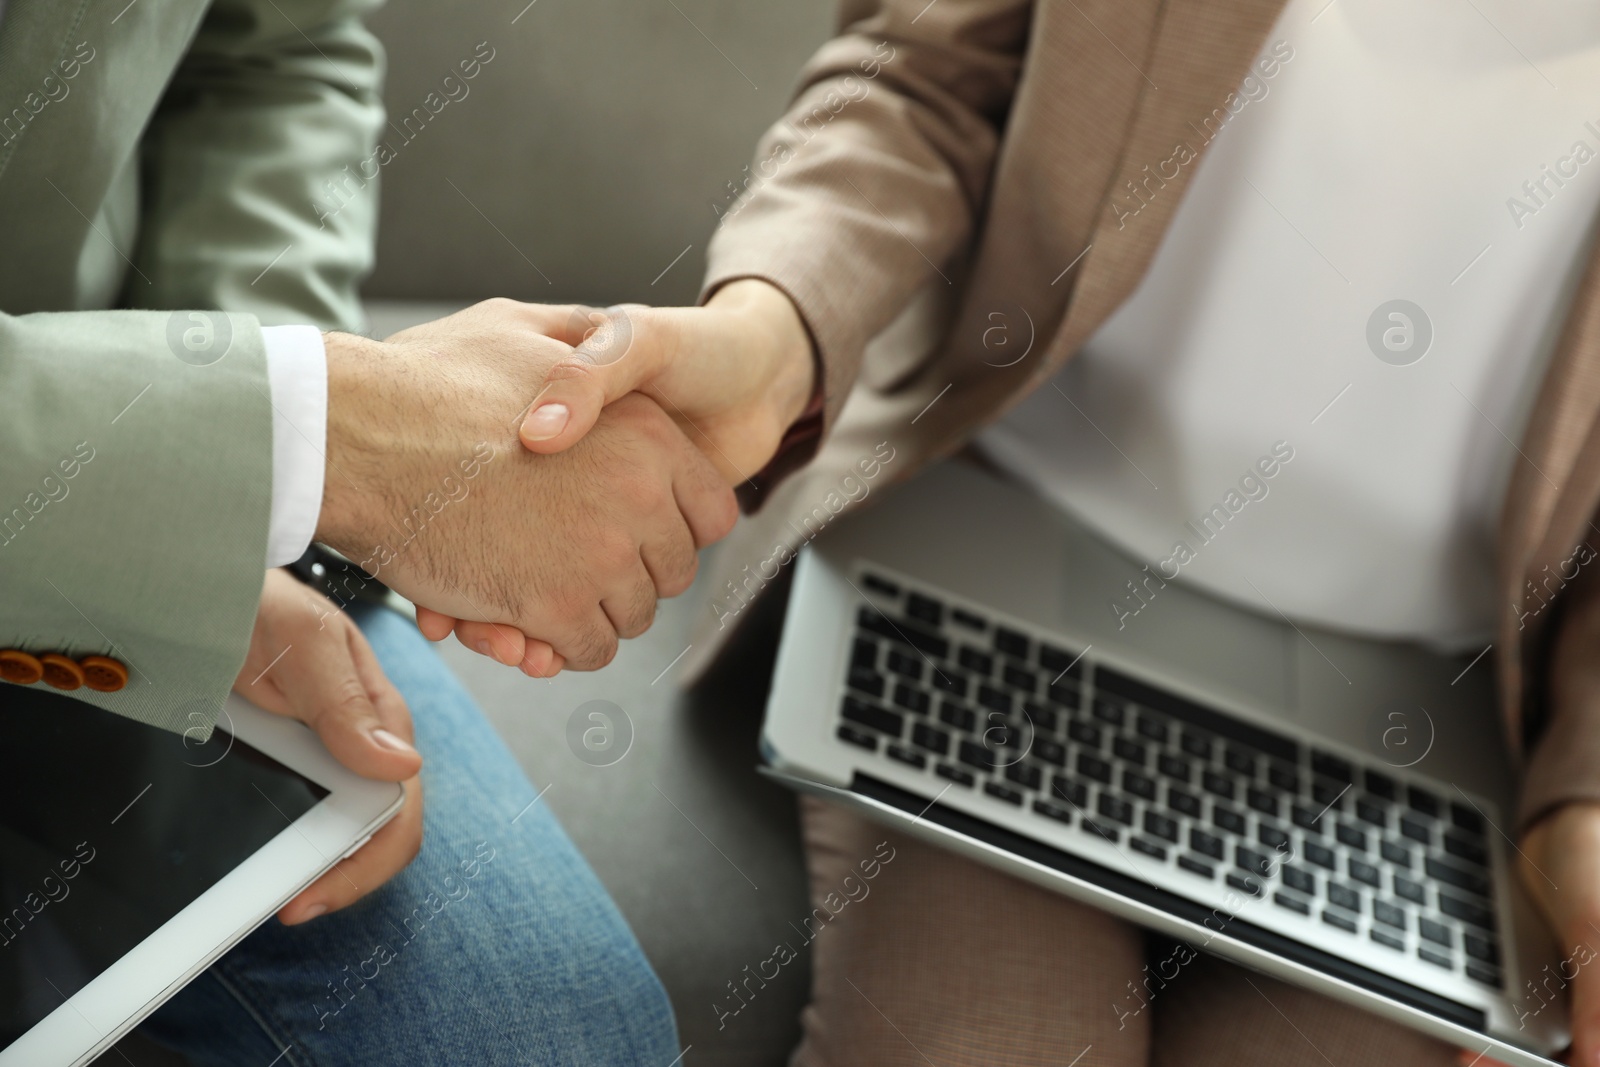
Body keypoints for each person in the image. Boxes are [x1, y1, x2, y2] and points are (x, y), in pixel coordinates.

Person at [436, 0, 1600, 1063]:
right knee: (981, 1042)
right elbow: (923, 77)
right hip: (987, 535)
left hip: (1423, 721)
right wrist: (774, 328)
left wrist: (1585, 799)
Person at [0, 0, 733, 1062]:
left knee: (558, 1037)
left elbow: (275, 51)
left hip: (159, 461)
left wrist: (217, 518)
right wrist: (309, 438)